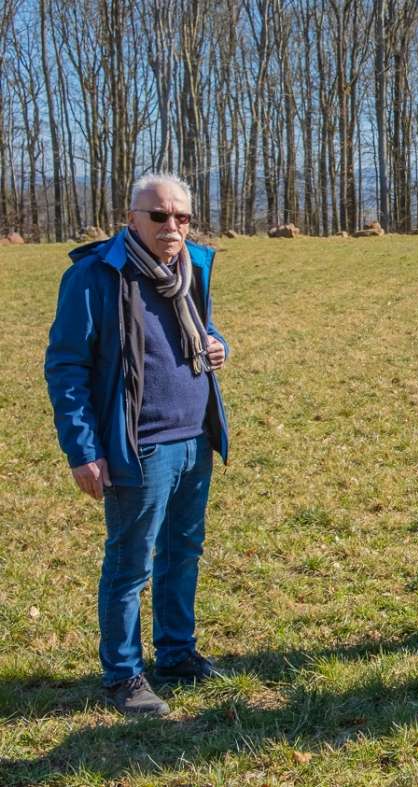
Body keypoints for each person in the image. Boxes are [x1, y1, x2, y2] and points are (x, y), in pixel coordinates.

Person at [45, 173, 231, 715]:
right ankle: (123, 674)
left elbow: (202, 327)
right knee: (130, 566)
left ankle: (176, 653)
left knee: (183, 553)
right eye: (159, 215)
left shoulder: (190, 268)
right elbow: (66, 367)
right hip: (139, 446)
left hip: (194, 438)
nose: (172, 225)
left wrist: (218, 344)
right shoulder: (95, 276)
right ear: (131, 219)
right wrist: (83, 450)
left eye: (182, 216)